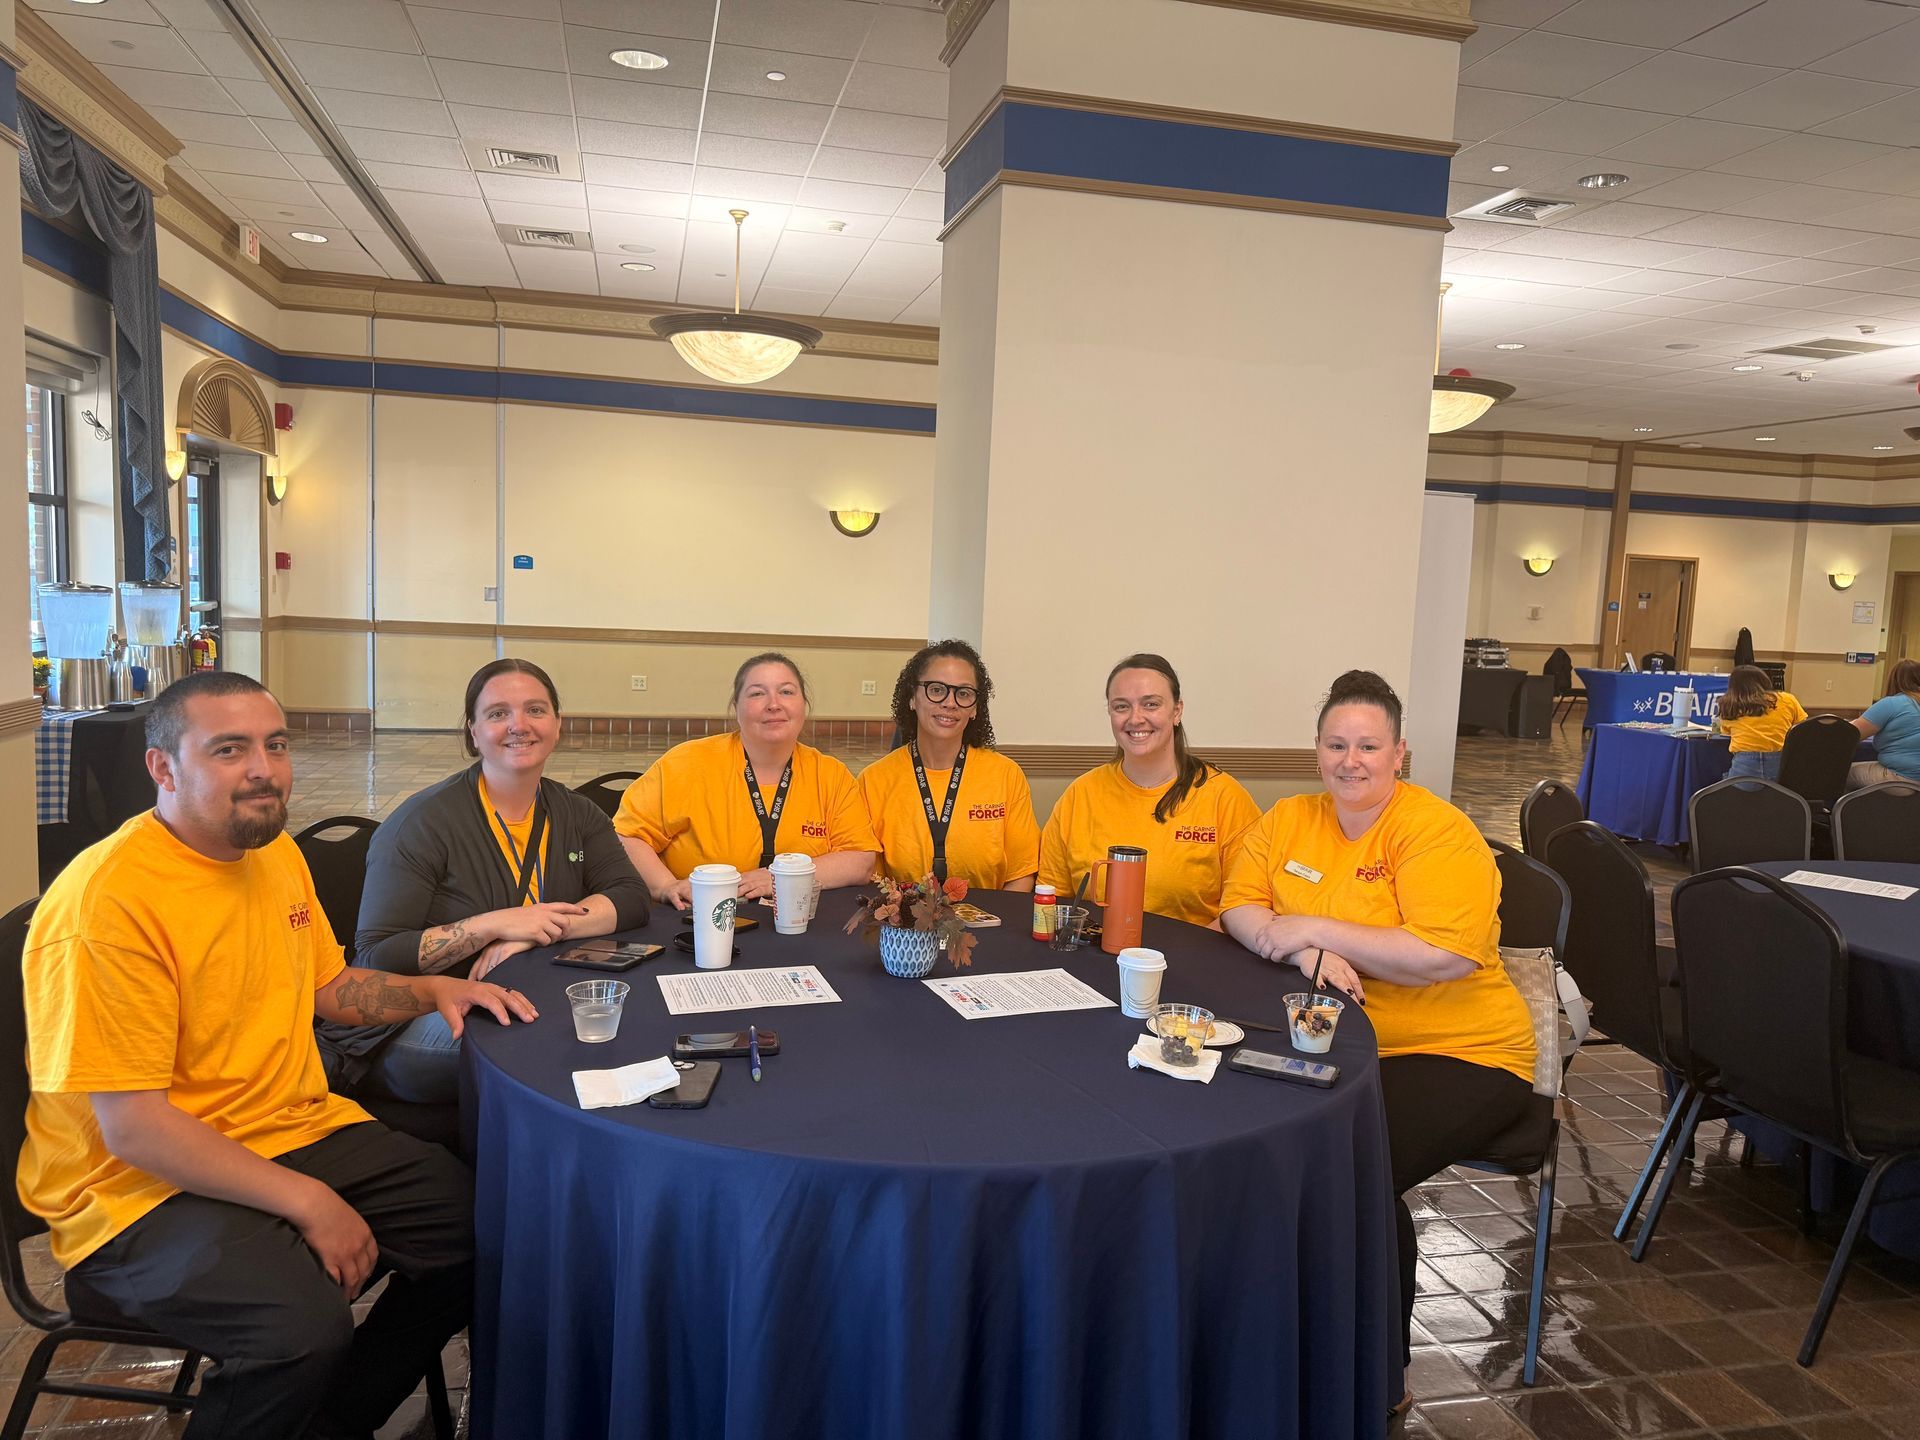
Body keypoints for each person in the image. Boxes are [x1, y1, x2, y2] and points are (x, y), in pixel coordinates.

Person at [17, 671, 537, 1440]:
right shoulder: (106, 907)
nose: (263, 768)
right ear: (163, 768)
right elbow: (135, 1130)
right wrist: (309, 1202)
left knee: (488, 1234)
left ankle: (329, 1423)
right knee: (297, 1331)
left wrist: (432, 992)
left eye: (275, 745)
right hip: (135, 1192)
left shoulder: (270, 851)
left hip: (289, 1128)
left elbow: (328, 986)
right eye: (229, 749)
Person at [1218, 670, 1535, 1377]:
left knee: (1349, 1168)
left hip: (1465, 1052)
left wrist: (1310, 923)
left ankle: (1374, 1376)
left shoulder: (1434, 831)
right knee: (1265, 1145)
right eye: (1337, 744)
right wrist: (1306, 950)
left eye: (1368, 746)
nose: (1350, 761)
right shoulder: (1291, 818)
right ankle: (1285, 1351)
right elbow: (1238, 907)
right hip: (1346, 1044)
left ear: (1400, 755)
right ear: (1317, 750)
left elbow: (1441, 957)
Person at [320, 659, 650, 1105]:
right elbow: (377, 956)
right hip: (408, 1022)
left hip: (526, 993)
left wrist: (537, 931)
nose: (519, 725)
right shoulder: (421, 823)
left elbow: (629, 897)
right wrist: (495, 924)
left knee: (624, 1022)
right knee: (551, 1047)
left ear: (557, 724)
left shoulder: (577, 812)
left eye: (535, 710)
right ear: (473, 732)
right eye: (498, 714)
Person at [615, 652, 879, 907]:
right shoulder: (687, 764)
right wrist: (665, 886)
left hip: (801, 923)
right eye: (757, 693)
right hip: (699, 920)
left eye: (786, 691)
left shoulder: (831, 775)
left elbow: (860, 859)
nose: (773, 704)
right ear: (736, 707)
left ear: (804, 705)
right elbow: (625, 836)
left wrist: (780, 877)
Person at [1038, 654, 1260, 928]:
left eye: (1151, 704)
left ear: (1177, 711)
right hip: (1092, 956)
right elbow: (1053, 898)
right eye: (1121, 706)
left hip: (1194, 959)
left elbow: (1246, 905)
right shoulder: (1080, 795)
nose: (1135, 718)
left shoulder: (1225, 798)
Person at [859, 640, 1039, 891]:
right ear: (912, 697)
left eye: (963, 693)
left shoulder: (1006, 775)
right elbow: (871, 878)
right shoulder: (874, 780)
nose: (950, 702)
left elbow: (1021, 875)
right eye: (936, 689)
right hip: (904, 925)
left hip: (990, 923)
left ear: (975, 708)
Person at [1715, 664, 1806, 780]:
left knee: (1724, 783)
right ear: (1764, 680)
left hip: (1744, 766)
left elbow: (1726, 734)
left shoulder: (1729, 704)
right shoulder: (1787, 699)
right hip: (1780, 766)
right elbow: (1803, 729)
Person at [1851, 659, 1920, 787]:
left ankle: (1843, 807)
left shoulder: (1892, 703)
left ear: (1893, 680)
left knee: (1841, 774)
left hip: (1903, 777)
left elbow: (1850, 735)